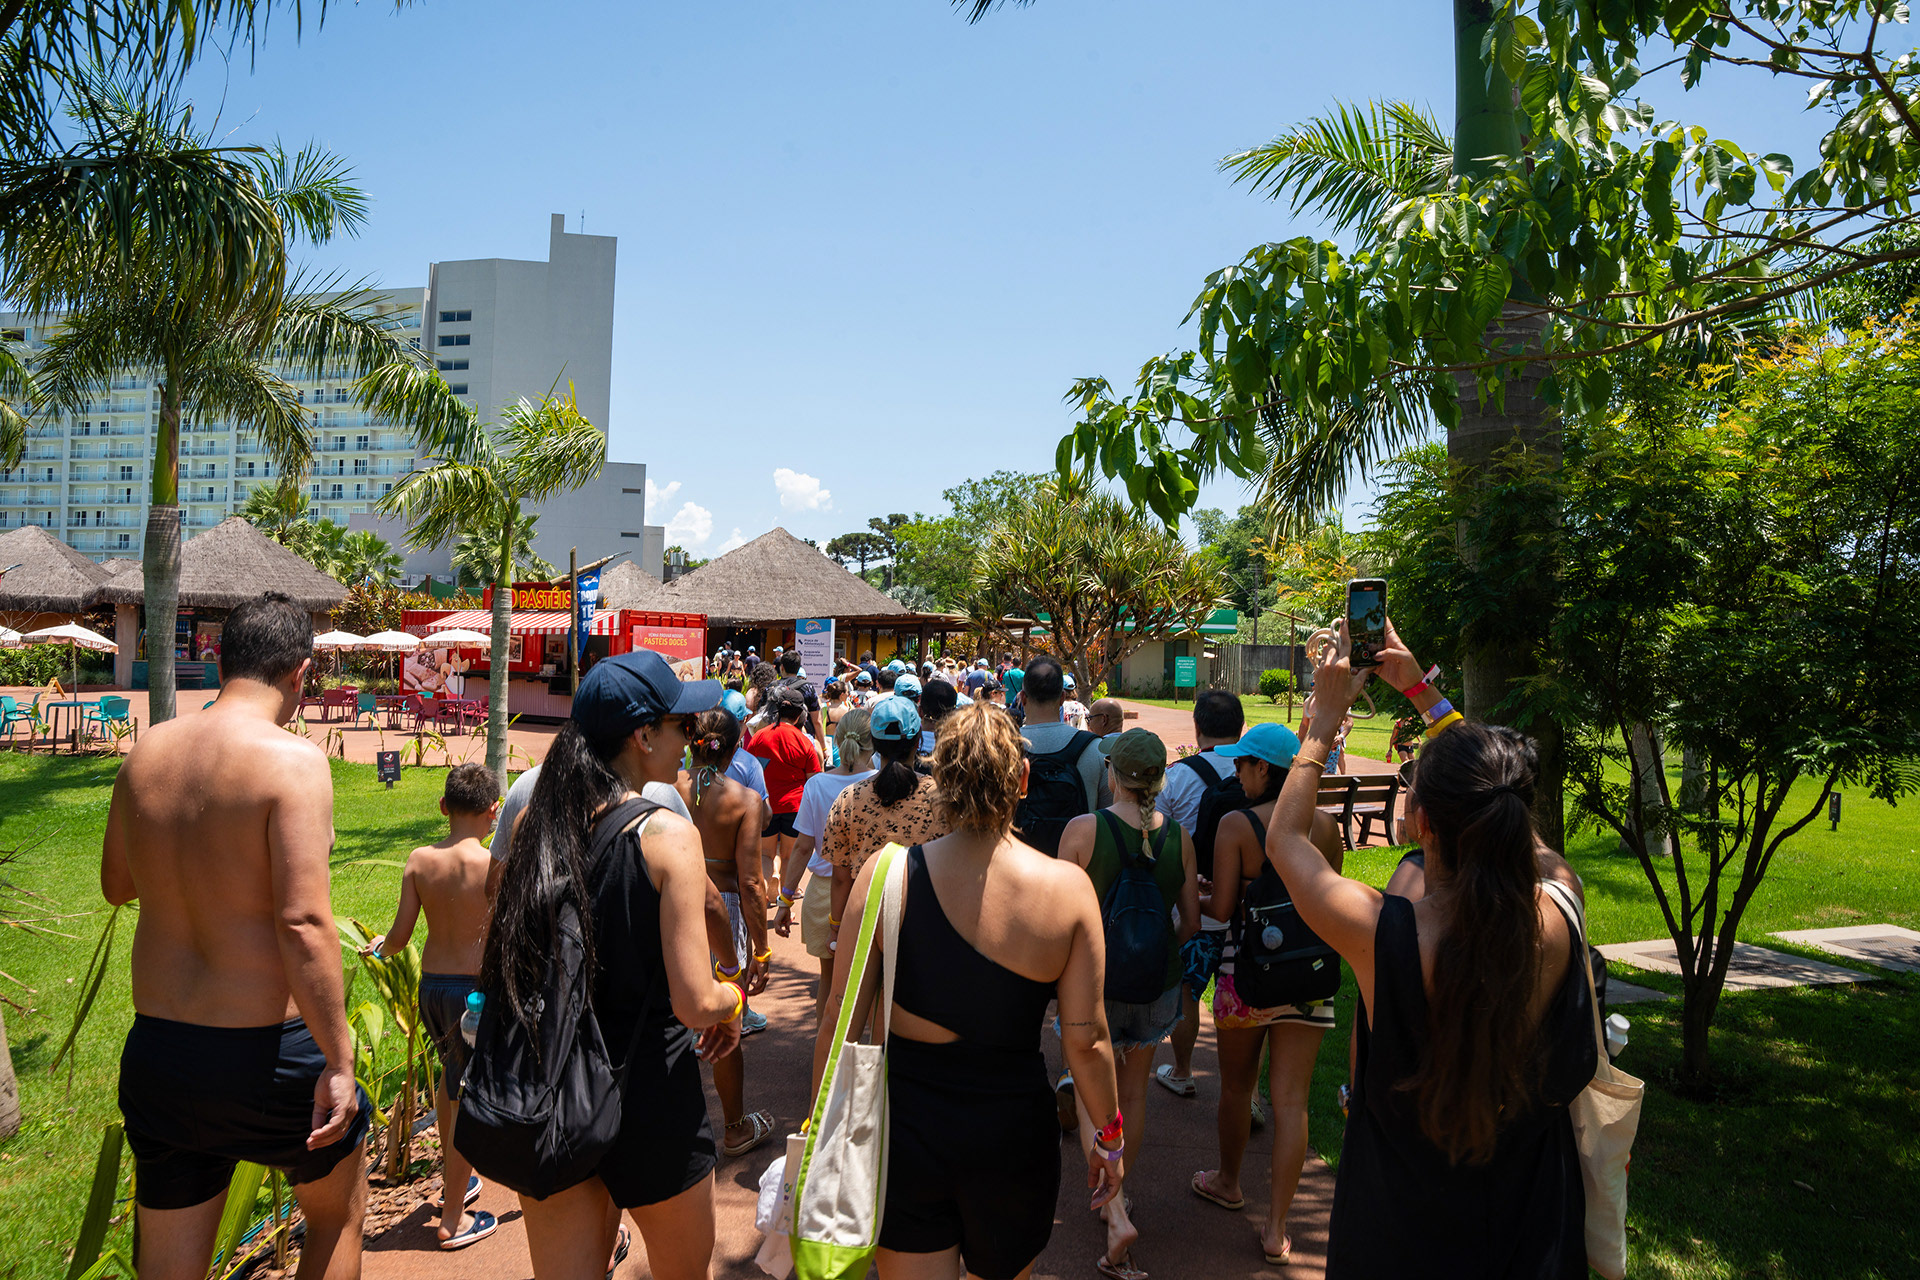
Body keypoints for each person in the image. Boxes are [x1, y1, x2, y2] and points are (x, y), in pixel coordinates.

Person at [1268, 620, 1597, 1279]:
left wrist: (1322, 724)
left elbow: (1285, 841)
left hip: (1398, 1237)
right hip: (1528, 1234)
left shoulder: (1379, 932)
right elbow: (1504, 798)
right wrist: (1424, 692)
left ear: (1421, 824)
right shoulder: (1561, 906)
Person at [103, 592, 370, 1280]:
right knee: (337, 1218)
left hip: (162, 1052)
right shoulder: (293, 761)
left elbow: (116, 884)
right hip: (268, 1057)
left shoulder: (147, 753)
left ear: (221, 663)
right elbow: (302, 922)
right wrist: (340, 1061)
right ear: (301, 673)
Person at [812, 702, 1127, 1280]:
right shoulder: (1067, 891)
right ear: (1023, 780)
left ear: (940, 781)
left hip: (906, 1130)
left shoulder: (885, 875)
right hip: (1012, 1132)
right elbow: (1087, 1041)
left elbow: (839, 1015)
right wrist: (1108, 1139)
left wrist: (818, 1125)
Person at [488, 651, 745, 1280]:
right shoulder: (666, 835)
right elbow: (694, 1001)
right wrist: (733, 998)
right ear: (643, 736)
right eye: (682, 725)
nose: (692, 739)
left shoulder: (533, 822)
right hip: (651, 1093)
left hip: (554, 1087)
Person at [1188, 723, 1344, 1267]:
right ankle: (1277, 1228)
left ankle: (1229, 1182)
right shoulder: (1324, 826)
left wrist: (1195, 895)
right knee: (1292, 1102)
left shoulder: (1236, 824)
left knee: (1237, 1087)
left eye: (1243, 764)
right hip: (1308, 973)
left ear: (1264, 769)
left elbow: (1221, 910)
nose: (1236, 773)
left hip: (1246, 972)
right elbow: (1326, 895)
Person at [1054, 728, 1199, 1280]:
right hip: (1154, 983)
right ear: (1159, 779)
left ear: (1112, 773)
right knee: (1133, 1092)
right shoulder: (1179, 838)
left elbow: (1059, 919)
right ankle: (1122, 1189)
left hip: (1092, 983)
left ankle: (1112, 1209)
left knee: (1092, 1087)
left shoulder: (1083, 830)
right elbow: (1189, 922)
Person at [363, 763, 503, 1250]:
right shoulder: (494, 865)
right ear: (493, 811)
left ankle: (457, 1180)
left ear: (444, 807)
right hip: (476, 994)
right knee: (467, 1093)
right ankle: (452, 1219)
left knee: (450, 1080)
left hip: (434, 990)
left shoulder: (420, 860)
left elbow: (400, 937)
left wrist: (380, 947)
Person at [678, 708, 777, 1155]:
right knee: (726, 1018)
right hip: (726, 910)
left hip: (672, 902)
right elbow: (752, 882)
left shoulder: (666, 788)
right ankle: (735, 1128)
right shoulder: (746, 800)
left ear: (692, 742)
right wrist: (762, 951)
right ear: (736, 748)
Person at [1152, 689, 1244, 1100]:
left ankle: (1183, 1070)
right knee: (1244, 993)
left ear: (1197, 727)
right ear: (1241, 728)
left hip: (1196, 906)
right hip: (1246, 909)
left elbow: (1158, 838)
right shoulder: (1261, 771)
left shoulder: (1177, 776)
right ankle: (1246, 1092)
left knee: (1188, 991)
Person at [822, 696, 948, 956]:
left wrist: (836, 928)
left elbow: (841, 879)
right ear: (918, 741)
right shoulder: (943, 798)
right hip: (926, 923)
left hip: (866, 923)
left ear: (875, 744)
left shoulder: (849, 799)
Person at [771, 709, 874, 1019]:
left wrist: (785, 900)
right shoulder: (879, 782)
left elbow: (803, 848)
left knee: (828, 981)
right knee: (873, 983)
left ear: (837, 740)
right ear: (873, 744)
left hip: (822, 895)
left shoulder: (816, 784)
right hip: (870, 890)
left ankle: (825, 1045)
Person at [1014, 656, 1109, 856]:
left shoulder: (1003, 747)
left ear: (1023, 698)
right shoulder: (1093, 749)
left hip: (1015, 863)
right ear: (1062, 698)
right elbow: (1108, 819)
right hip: (1076, 865)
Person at [746, 686, 823, 888]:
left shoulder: (759, 737)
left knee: (765, 854)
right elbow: (814, 781)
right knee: (788, 855)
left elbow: (750, 770)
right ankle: (785, 898)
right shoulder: (804, 742)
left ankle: (763, 893)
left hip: (766, 805)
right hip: (794, 807)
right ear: (799, 715)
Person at [775, 650, 827, 757]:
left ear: (782, 667)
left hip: (776, 740)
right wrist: (823, 748)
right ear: (799, 668)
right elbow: (817, 721)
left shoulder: (772, 687)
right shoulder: (807, 688)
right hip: (803, 742)